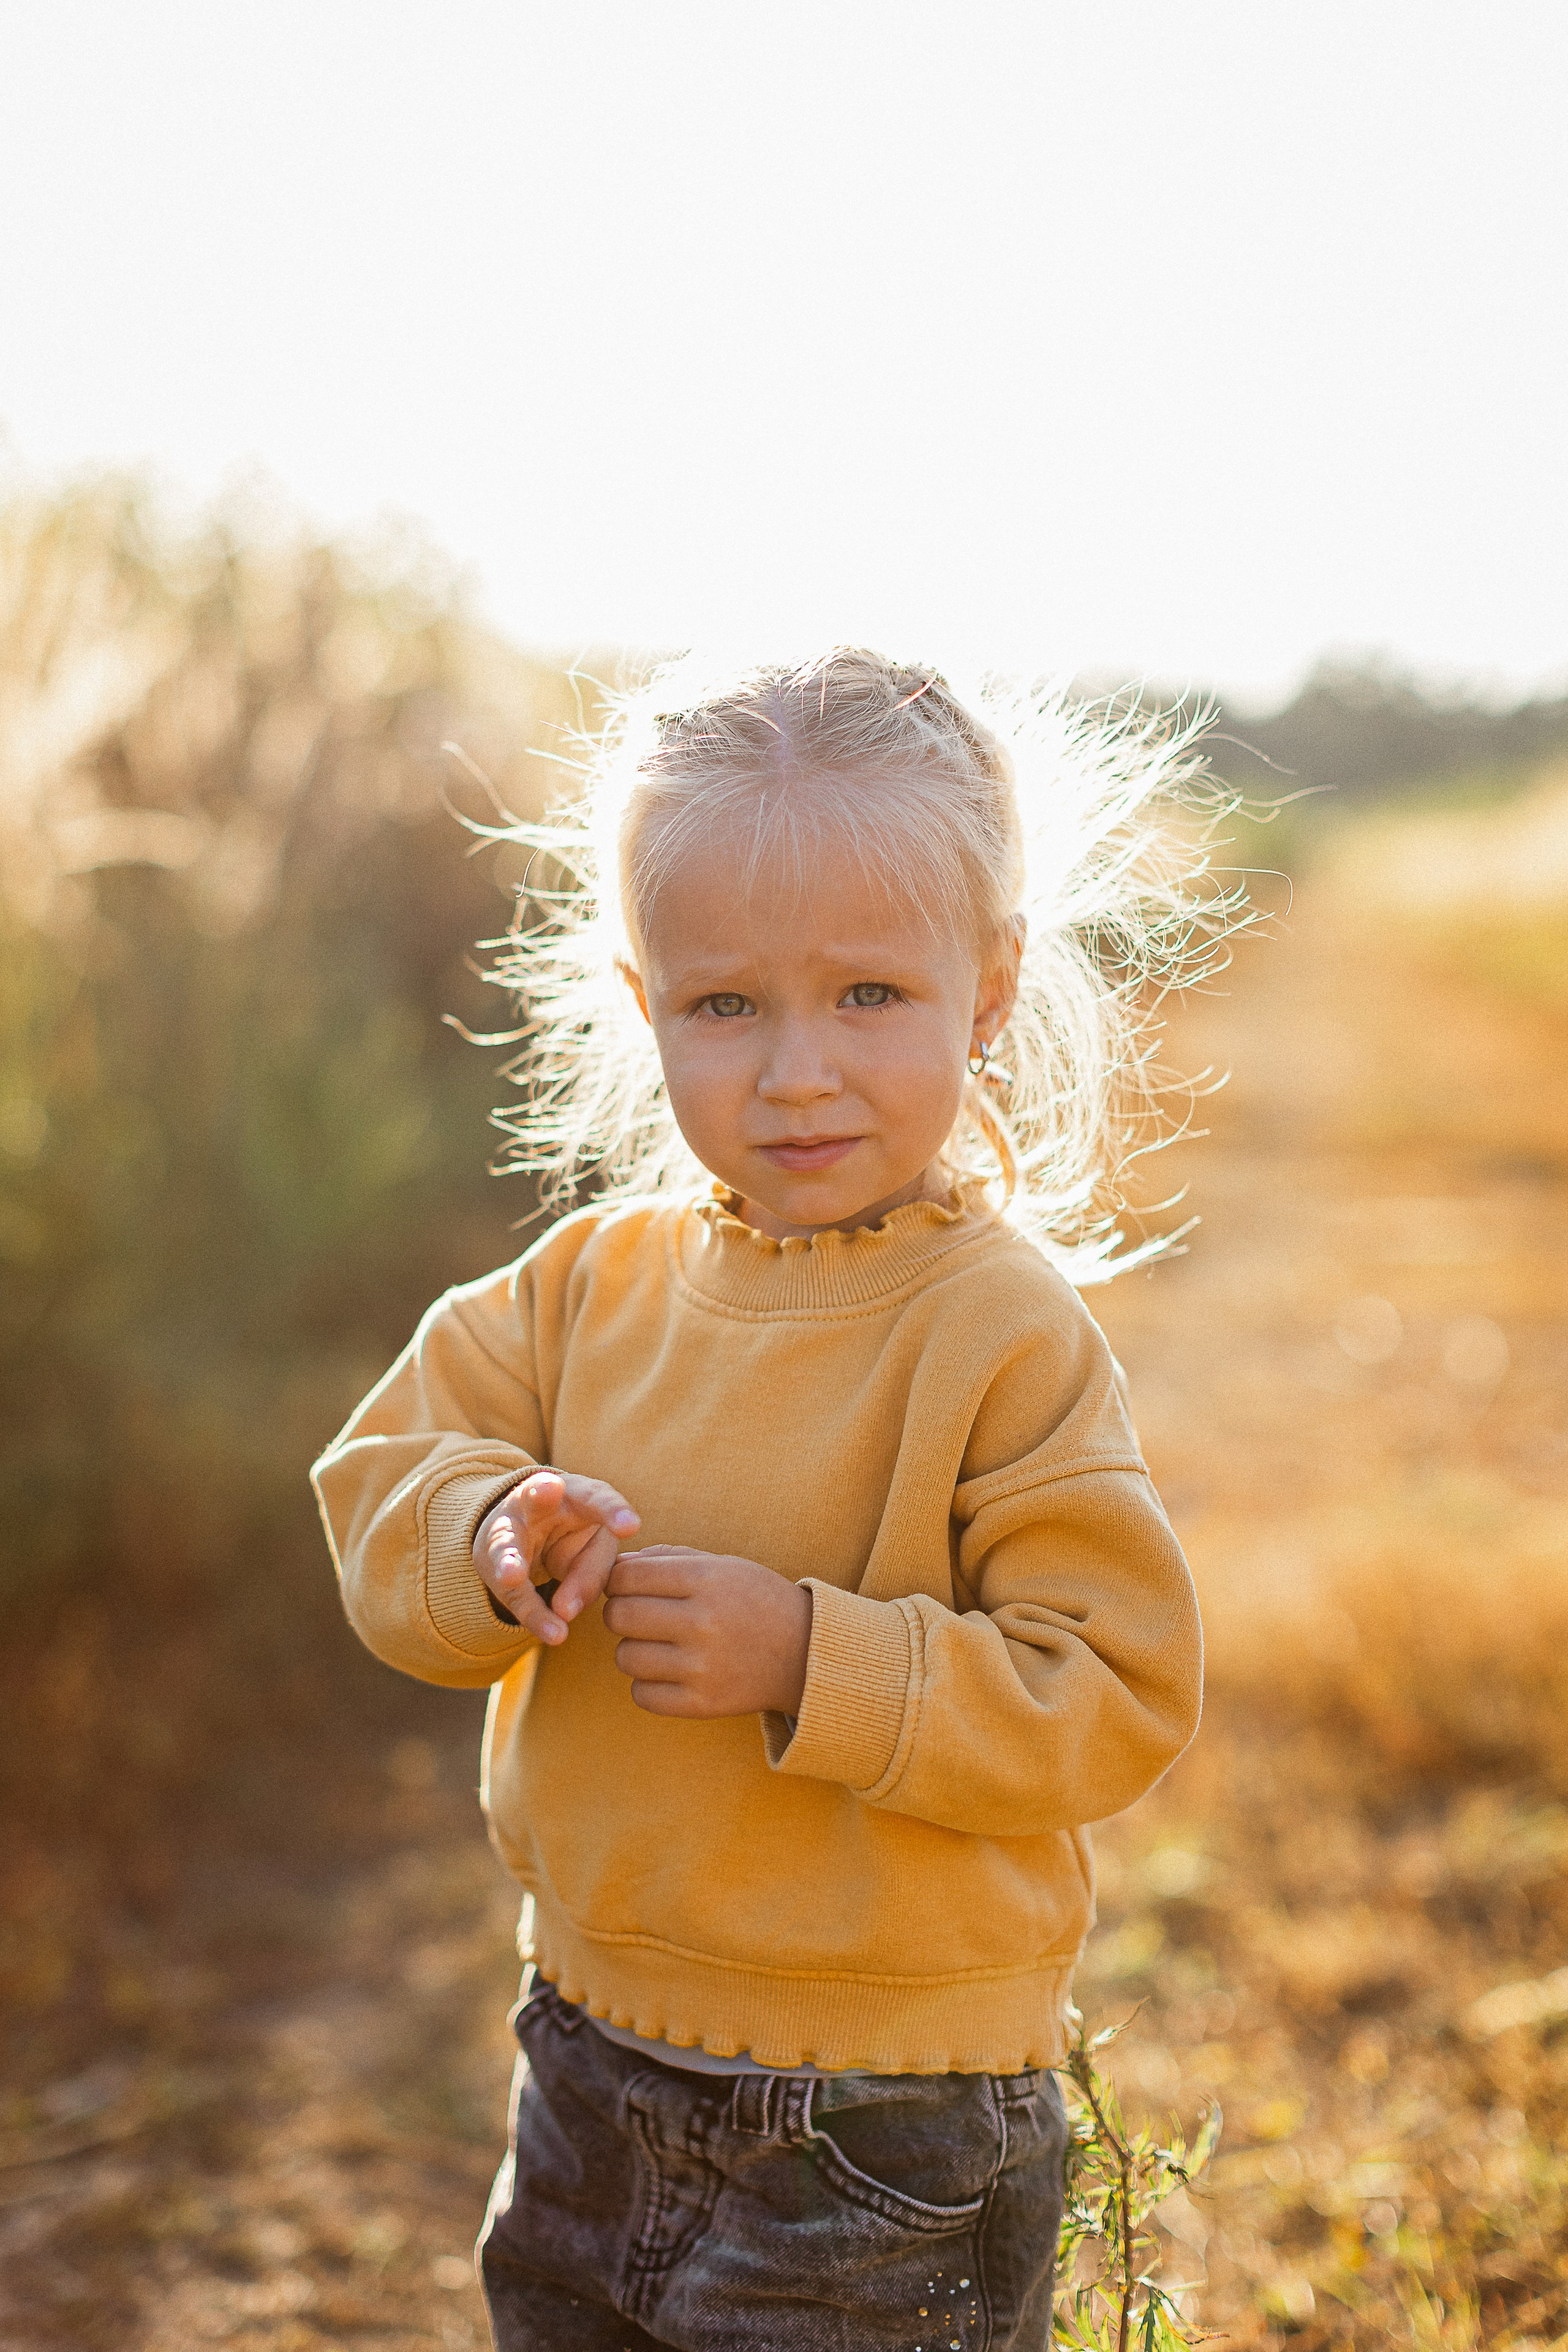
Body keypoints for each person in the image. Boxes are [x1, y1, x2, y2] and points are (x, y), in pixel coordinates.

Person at [312, 649, 1224, 2350]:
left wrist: (813, 1654)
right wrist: (487, 1538)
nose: (798, 1071)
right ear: (643, 998)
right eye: (727, 1005)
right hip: (584, 2047)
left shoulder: (995, 1329)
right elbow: (382, 1478)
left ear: (995, 983)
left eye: (871, 993)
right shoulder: (585, 1286)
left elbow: (1111, 1691)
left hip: (883, 2117)